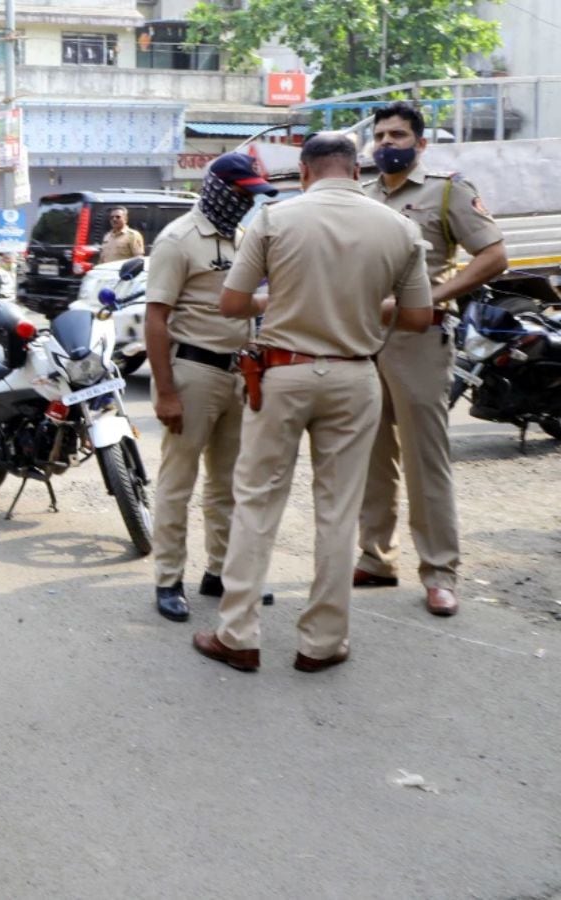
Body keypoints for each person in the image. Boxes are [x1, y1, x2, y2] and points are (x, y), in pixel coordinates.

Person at [193, 132, 433, 674]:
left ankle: (238, 635)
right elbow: (418, 317)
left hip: (282, 373)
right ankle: (322, 643)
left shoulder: (274, 220)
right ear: (356, 171)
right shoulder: (399, 227)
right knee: (339, 510)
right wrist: (365, 304)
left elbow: (232, 303)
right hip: (355, 375)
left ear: (304, 172)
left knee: (256, 501)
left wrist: (280, 298)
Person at [355, 101, 506, 617]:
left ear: (420, 144)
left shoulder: (446, 191)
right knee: (370, 453)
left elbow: (494, 255)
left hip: (419, 338)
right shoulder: (363, 196)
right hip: (363, 338)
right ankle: (376, 557)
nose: (386, 144)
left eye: (397, 135)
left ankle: (439, 571)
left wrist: (433, 297)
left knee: (426, 459)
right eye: (380, 136)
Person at [144, 152, 273, 622]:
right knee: (178, 482)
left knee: (229, 483)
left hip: (237, 374)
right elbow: (155, 318)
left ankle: (220, 572)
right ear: (218, 190)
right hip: (192, 373)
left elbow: (237, 305)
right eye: (242, 194)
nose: (247, 203)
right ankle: (168, 579)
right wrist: (165, 391)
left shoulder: (241, 239)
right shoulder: (177, 241)